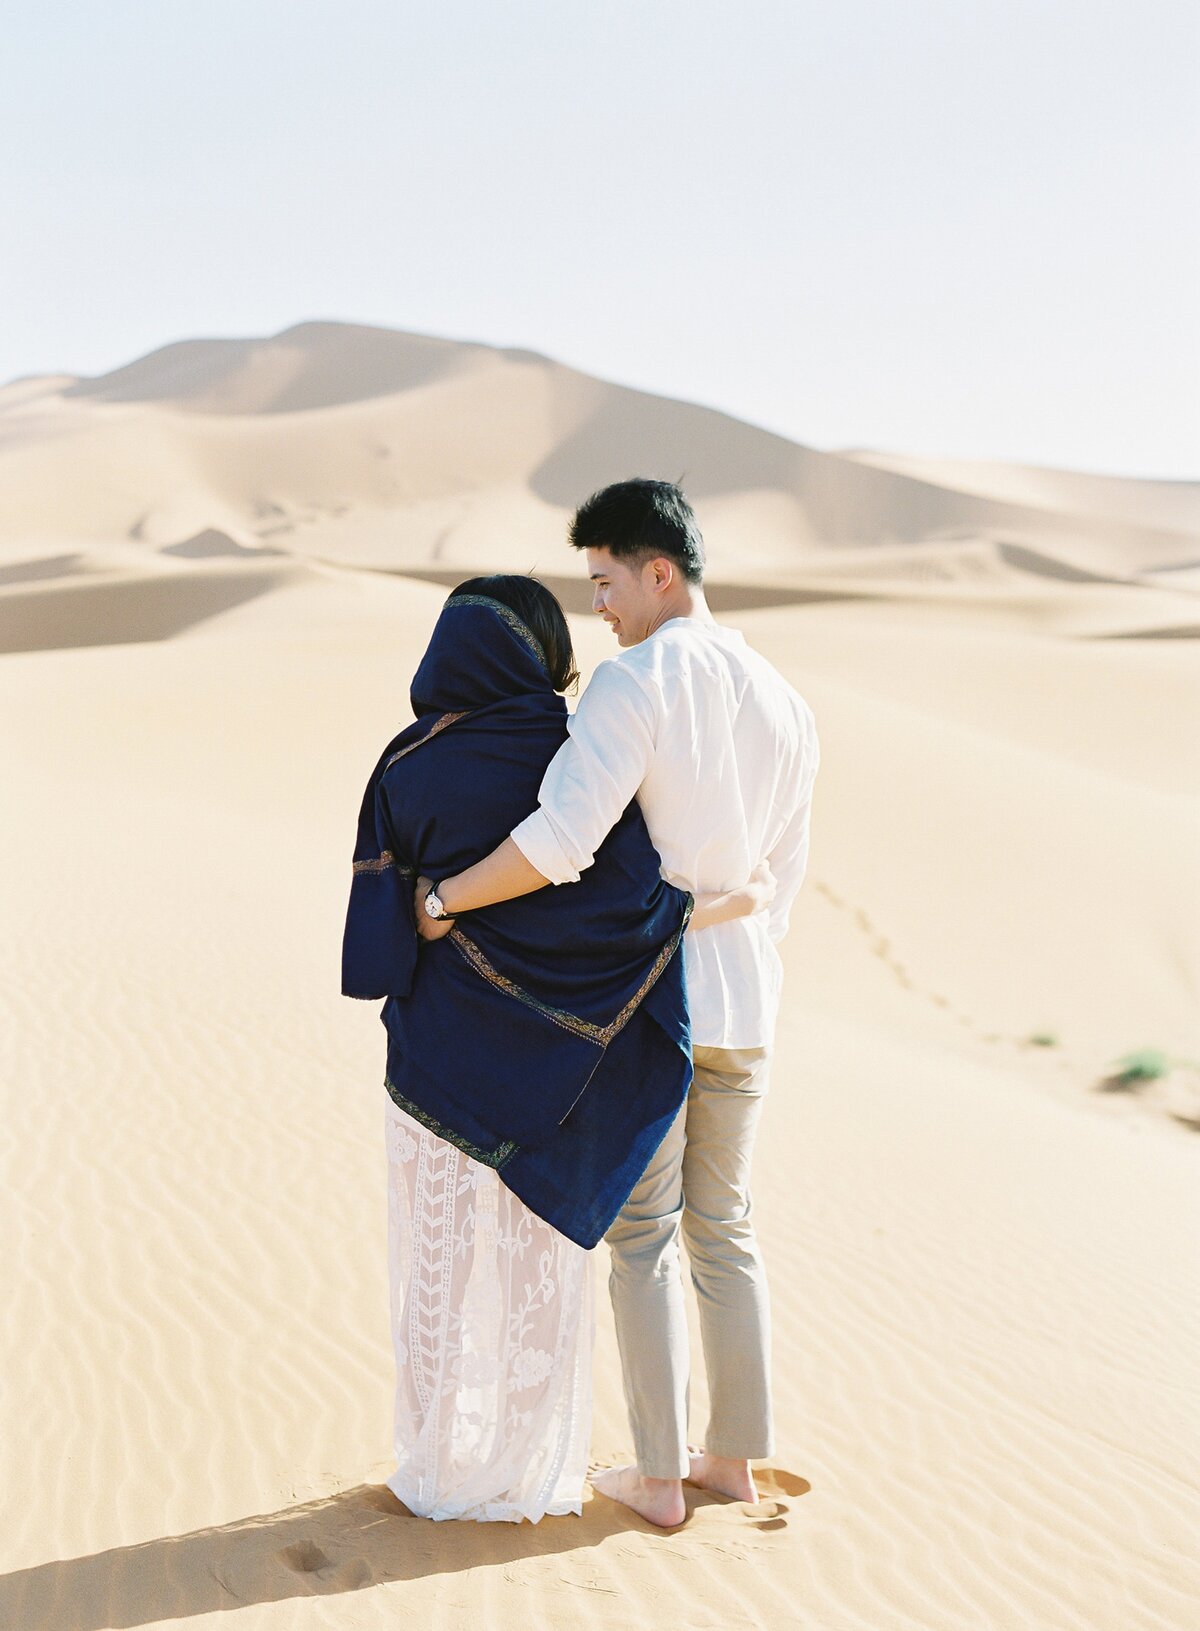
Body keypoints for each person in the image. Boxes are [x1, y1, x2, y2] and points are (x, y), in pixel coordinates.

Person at [415, 482, 820, 1528]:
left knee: (644, 1232)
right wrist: (727, 936)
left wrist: (447, 898)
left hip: (655, 1002)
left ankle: (655, 1475)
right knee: (725, 1225)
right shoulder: (785, 698)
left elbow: (560, 842)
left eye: (605, 580)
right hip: (750, 1003)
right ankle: (730, 1459)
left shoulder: (635, 682)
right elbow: (782, 877)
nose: (598, 604)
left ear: (660, 571)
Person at [341, 573, 770, 1524]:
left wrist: (439, 907)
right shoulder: (571, 749)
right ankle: (527, 1475)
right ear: (543, 653)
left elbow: (378, 947)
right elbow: (624, 897)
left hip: (433, 1074)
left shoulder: (406, 763)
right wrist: (713, 907)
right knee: (543, 1276)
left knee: (438, 1270)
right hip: (562, 1072)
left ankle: (435, 1470)